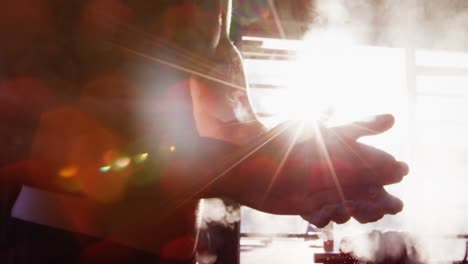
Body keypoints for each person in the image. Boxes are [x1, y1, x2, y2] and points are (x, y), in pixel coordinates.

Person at [0, 0, 408, 263]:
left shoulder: (212, 19)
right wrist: (236, 170)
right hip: (49, 245)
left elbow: (231, 134)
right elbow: (21, 127)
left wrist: (292, 166)